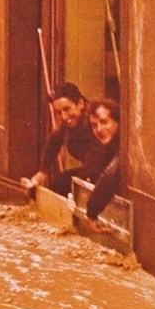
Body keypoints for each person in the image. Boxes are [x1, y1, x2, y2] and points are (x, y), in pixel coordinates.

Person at [50, 99, 121, 232]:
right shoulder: (105, 143)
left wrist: (91, 214)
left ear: (118, 121)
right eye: (94, 125)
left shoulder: (125, 144)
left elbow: (111, 174)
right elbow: (92, 166)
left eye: (104, 122)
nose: (99, 129)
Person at [22, 82, 92, 191]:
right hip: (90, 173)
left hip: (109, 175)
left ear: (80, 103)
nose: (64, 117)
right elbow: (53, 143)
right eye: (58, 112)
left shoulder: (95, 121)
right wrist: (42, 172)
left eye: (67, 109)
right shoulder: (69, 125)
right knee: (60, 183)